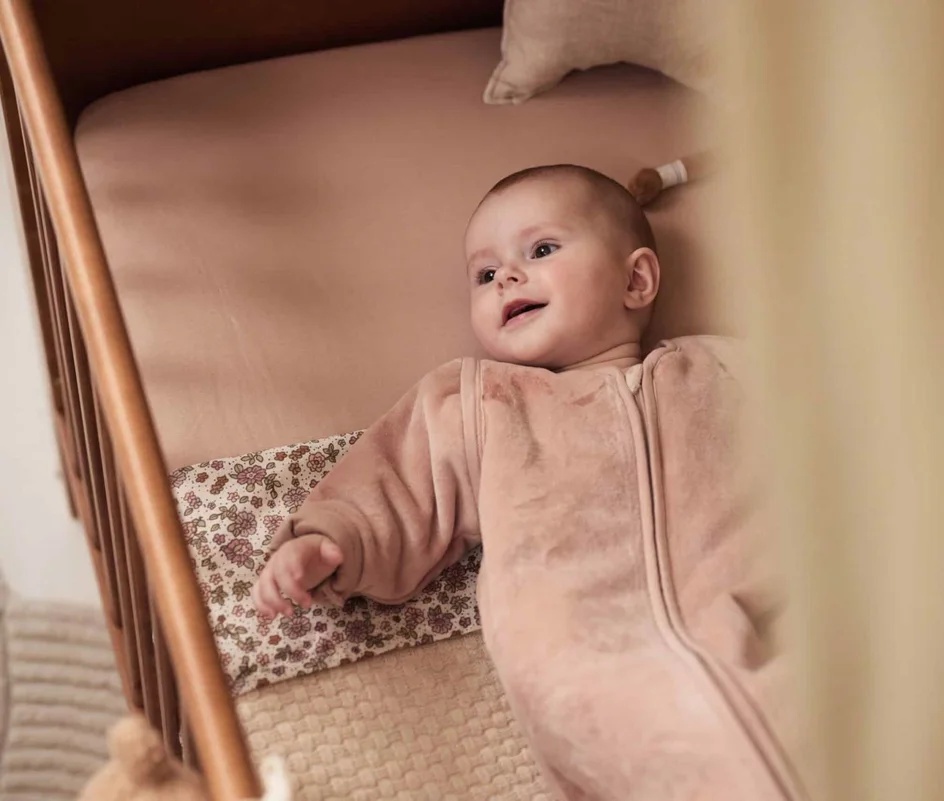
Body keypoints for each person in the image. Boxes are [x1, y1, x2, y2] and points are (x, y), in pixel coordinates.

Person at [252, 164, 801, 801]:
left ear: (636, 280)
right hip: (591, 667)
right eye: (485, 274)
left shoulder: (724, 370)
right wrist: (330, 541)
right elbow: (394, 485)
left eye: (540, 250)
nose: (507, 277)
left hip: (778, 626)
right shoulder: (479, 403)